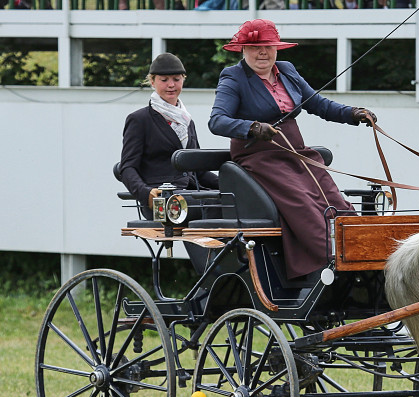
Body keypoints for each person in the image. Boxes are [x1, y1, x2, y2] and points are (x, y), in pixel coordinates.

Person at [209, 19, 377, 280]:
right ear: (242, 49)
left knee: (335, 200)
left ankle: (362, 255)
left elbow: (318, 104)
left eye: (268, 46)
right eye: (254, 47)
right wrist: (253, 127)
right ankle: (329, 263)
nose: (262, 52)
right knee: (304, 204)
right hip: (258, 157)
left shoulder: (286, 70)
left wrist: (353, 114)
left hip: (296, 152)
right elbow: (217, 121)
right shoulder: (234, 77)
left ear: (277, 48)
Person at [119, 52, 219, 221]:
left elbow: (198, 170)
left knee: (231, 202)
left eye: (176, 79)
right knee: (213, 207)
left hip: (190, 194)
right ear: (152, 81)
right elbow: (127, 167)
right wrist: (146, 193)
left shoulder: (187, 121)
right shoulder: (139, 119)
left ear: (183, 80)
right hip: (161, 200)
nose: (171, 85)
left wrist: (233, 184)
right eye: (164, 80)